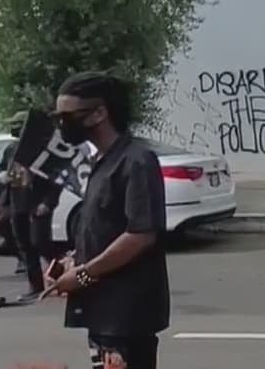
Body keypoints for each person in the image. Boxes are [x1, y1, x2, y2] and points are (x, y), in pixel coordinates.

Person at [45, 71, 169, 369]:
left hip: (126, 314)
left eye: (67, 116)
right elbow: (104, 229)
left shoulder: (136, 161)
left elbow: (140, 234)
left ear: (99, 113)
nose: (61, 124)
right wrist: (73, 261)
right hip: (103, 313)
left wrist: (83, 274)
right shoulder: (103, 161)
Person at [0, 110, 65, 302]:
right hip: (18, 203)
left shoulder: (45, 151)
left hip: (38, 204)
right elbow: (2, 170)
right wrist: (2, 179)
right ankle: (35, 286)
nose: (13, 129)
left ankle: (65, 273)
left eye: (17, 125)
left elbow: (56, 180)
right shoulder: (11, 150)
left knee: (41, 243)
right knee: (25, 246)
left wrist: (48, 203)